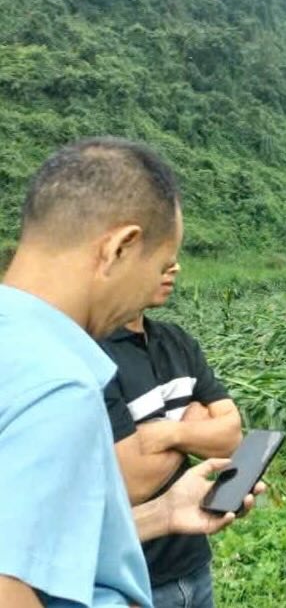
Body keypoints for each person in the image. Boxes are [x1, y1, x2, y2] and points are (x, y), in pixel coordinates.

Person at [0, 138, 259, 608]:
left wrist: (163, 512)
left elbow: (41, 545)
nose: (155, 289)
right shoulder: (59, 384)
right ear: (120, 248)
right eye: (160, 265)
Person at [100, 260, 243, 608]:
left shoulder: (177, 341)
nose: (175, 268)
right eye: (160, 259)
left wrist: (166, 433)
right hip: (133, 579)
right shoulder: (96, 355)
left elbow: (232, 434)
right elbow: (131, 480)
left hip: (194, 560)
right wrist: (192, 422)